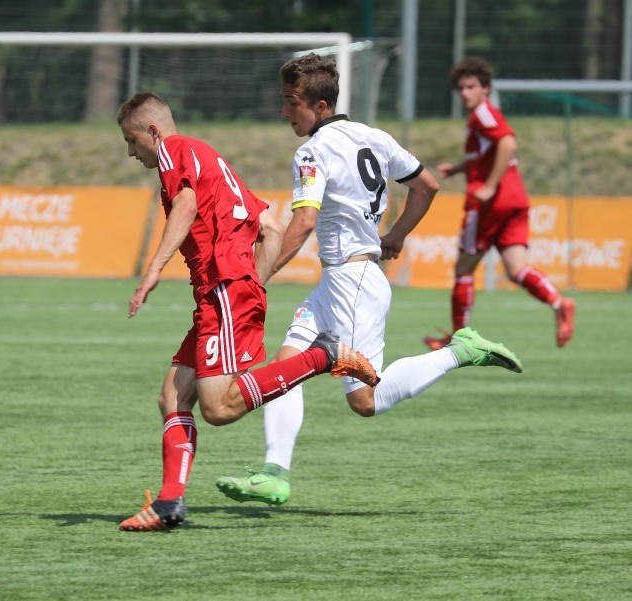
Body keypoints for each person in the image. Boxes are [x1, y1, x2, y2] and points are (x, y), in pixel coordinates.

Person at [215, 53, 523, 507]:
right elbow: (427, 185)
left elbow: (302, 225)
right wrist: (394, 235)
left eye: (290, 102)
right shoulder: (372, 136)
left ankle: (462, 351)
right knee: (286, 366)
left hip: (353, 284)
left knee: (366, 400)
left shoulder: (312, 150)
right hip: (341, 279)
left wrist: (259, 276)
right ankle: (274, 473)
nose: (284, 112)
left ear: (319, 105)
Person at [115, 92, 379, 532]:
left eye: (131, 140)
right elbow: (271, 228)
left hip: (222, 288)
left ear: (154, 132)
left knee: (218, 409)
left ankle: (324, 357)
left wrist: (153, 271)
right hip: (226, 290)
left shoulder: (174, 153)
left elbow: (185, 205)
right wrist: (252, 284)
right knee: (172, 396)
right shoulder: (212, 160)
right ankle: (168, 505)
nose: (130, 152)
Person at [423, 56, 576, 351]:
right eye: (461, 88)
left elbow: (508, 142)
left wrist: (489, 186)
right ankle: (560, 304)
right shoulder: (480, 118)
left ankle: (459, 338)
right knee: (517, 269)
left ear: (486, 89)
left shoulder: (484, 113)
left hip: (490, 205)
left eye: (471, 87)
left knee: (464, 270)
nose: (465, 93)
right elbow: (485, 156)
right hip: (516, 199)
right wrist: (457, 169)